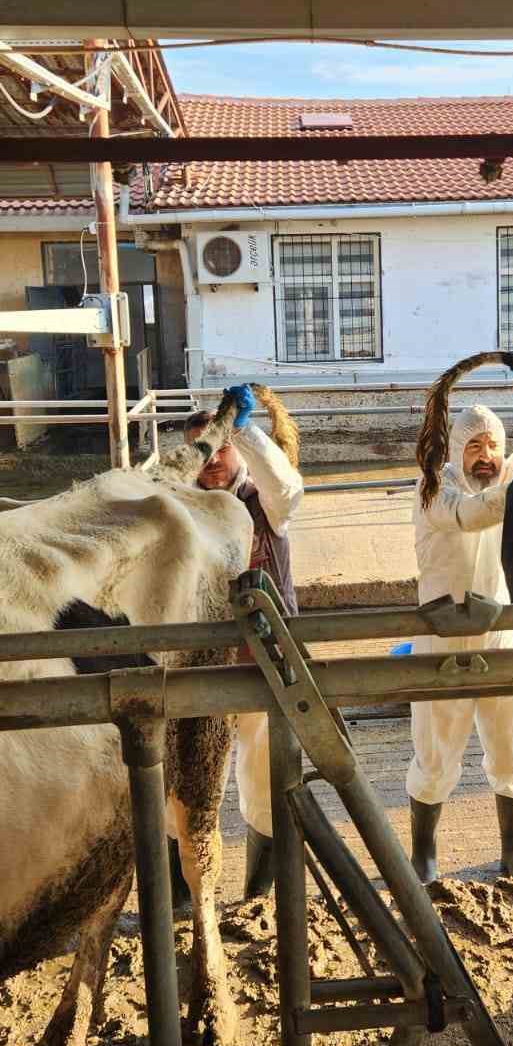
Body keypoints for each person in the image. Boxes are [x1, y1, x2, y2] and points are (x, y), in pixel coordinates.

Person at [406, 353, 513, 886]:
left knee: (511, 737)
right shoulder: (433, 488)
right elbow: (469, 515)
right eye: (474, 446)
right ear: (456, 450)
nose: (486, 456)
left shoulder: (509, 479)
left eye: (493, 445)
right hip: (441, 633)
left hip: (500, 629)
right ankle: (424, 854)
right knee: (436, 742)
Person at [171, 385, 303, 902]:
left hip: (264, 661)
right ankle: (182, 894)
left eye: (220, 446)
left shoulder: (265, 501)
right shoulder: (181, 507)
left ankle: (258, 891)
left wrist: (244, 430)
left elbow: (287, 486)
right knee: (185, 776)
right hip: (198, 666)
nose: (211, 460)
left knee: (265, 770)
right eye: (201, 449)